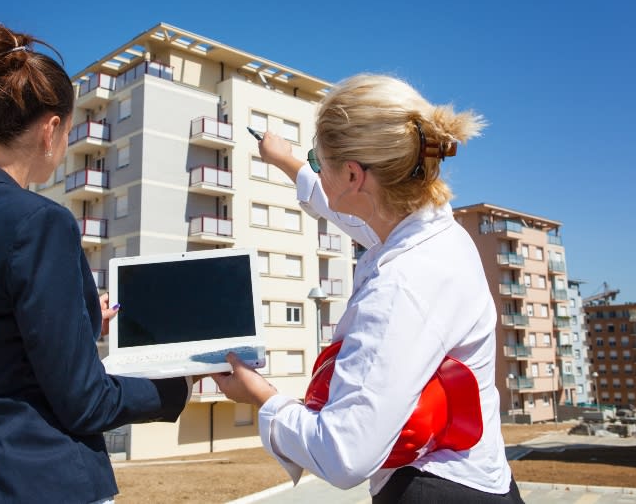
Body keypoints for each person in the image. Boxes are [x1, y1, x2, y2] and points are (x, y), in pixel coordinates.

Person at [0, 22, 191, 503]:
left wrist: (83, 320)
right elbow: (85, 401)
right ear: (51, 130)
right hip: (34, 481)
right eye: (69, 131)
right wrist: (178, 385)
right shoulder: (39, 222)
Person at [213, 74, 524, 503]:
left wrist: (262, 398)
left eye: (319, 162)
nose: (316, 170)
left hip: (432, 492)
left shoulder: (401, 286)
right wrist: (286, 161)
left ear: (353, 175)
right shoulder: (432, 228)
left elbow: (344, 454)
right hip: (481, 481)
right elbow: (347, 209)